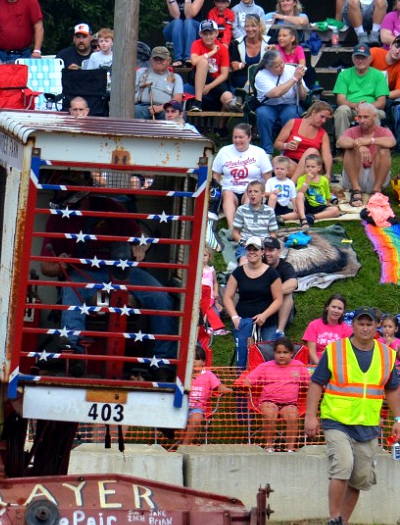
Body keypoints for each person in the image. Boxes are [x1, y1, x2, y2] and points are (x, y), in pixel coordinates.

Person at [39, 187, 178, 379]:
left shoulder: (112, 208)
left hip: (123, 270)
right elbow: (46, 267)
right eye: (61, 193)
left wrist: (140, 246)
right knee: (71, 289)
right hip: (83, 272)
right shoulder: (57, 218)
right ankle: (73, 352)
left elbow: (138, 238)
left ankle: (163, 364)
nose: (64, 197)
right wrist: (61, 264)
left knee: (161, 297)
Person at [304, 306, 400, 525]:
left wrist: (399, 419)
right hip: (337, 421)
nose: (365, 328)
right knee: (343, 465)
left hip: (367, 424)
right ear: (354, 325)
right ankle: (334, 518)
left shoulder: (386, 354)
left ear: (376, 326)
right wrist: (310, 416)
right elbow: (317, 383)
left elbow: (392, 390)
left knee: (359, 477)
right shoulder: (335, 350)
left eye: (370, 324)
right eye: (361, 323)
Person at [238, 336, 310, 452]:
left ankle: (290, 449)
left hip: (290, 403)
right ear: (274, 353)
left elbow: (309, 383)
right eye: (278, 352)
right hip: (268, 401)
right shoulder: (265, 366)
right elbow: (248, 379)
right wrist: (242, 384)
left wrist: (317, 386)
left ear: (291, 353)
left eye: (285, 352)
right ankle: (269, 446)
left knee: (292, 416)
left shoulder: (299, 366)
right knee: (270, 413)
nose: (282, 355)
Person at [223, 236, 282, 369]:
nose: (252, 252)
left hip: (267, 321)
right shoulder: (238, 272)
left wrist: (264, 315)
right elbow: (228, 296)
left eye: (255, 249)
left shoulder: (272, 274)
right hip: (244, 320)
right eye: (249, 249)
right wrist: (234, 317)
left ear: (262, 252)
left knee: (267, 356)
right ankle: (242, 384)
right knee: (244, 355)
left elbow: (278, 299)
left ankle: (266, 387)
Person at [212, 123, 272, 229]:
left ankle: (247, 227)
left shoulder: (259, 152)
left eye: (241, 137)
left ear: (249, 138)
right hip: (230, 188)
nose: (237, 140)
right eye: (235, 137)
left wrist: (265, 192)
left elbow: (267, 176)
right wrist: (216, 190)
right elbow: (215, 174)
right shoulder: (224, 151)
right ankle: (232, 228)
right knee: (227, 195)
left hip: (251, 189)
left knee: (251, 194)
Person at [335, 102, 395, 203]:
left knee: (384, 150)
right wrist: (358, 145)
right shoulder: (352, 130)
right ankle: (356, 190)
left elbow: (392, 142)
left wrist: (371, 141)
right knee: (350, 148)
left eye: (366, 117)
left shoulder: (384, 131)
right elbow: (340, 141)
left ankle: (376, 190)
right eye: (359, 117)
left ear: (374, 116)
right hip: (354, 176)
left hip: (376, 176)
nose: (361, 121)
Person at [253, 49, 307, 154]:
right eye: (277, 66)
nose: (282, 67)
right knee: (263, 114)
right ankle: (267, 150)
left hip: (289, 104)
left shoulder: (292, 70)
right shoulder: (261, 75)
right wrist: (294, 79)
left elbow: (303, 97)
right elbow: (276, 93)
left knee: (291, 114)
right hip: (269, 105)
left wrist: (299, 82)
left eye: (282, 62)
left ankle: (287, 149)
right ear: (268, 68)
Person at [332, 43, 389, 137]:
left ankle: (372, 146)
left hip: (373, 108)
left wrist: (366, 108)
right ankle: (343, 146)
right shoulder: (344, 75)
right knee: (341, 110)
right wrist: (354, 105)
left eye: (363, 57)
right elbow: (340, 99)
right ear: (352, 59)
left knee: (376, 113)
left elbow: (381, 102)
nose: (360, 60)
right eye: (357, 57)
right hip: (351, 108)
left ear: (370, 59)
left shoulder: (378, 75)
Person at [369, 35, 400, 151]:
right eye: (397, 46)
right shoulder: (374, 52)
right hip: (365, 93)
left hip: (387, 97)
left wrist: (382, 95)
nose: (398, 51)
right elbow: (359, 70)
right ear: (391, 45)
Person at [273, 100, 334, 181]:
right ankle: (301, 181)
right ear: (313, 112)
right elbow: (277, 144)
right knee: (277, 159)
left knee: (312, 151)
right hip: (292, 162)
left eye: (326, 119)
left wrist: (328, 173)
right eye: (322, 117)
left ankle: (292, 183)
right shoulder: (293, 123)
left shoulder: (323, 133)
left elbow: (327, 155)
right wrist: (286, 145)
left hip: (310, 166)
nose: (324, 121)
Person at [182, 345, 231, 445]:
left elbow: (219, 386)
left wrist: (228, 389)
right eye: (191, 359)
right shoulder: (182, 373)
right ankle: (182, 441)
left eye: (197, 359)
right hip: (180, 407)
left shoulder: (208, 375)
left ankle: (184, 446)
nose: (194, 362)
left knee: (196, 418)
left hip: (196, 408)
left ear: (203, 362)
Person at [187, 19, 237, 113]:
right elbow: (194, 61)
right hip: (197, 75)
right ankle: (198, 102)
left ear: (216, 33)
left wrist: (209, 86)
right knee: (203, 62)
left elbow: (224, 74)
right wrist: (212, 52)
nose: (208, 37)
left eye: (211, 33)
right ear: (200, 34)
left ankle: (221, 126)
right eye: (205, 34)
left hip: (215, 80)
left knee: (228, 97)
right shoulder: (197, 44)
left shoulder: (222, 48)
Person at [164, 0, 205, 65]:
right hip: (174, 30)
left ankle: (188, 57)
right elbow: (176, 15)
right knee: (178, 22)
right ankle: (178, 58)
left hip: (193, 30)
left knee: (188, 22)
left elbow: (189, 15)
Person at [260, 235, 298, 336]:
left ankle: (279, 332)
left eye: (271, 250)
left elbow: (293, 283)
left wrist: (270, 292)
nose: (267, 253)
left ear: (279, 251)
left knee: (287, 293)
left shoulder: (285, 267)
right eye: (264, 250)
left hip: (280, 312)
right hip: (261, 307)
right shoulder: (258, 264)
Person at [231, 181, 278, 258]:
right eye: (250, 192)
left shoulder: (269, 211)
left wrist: (265, 245)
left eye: (256, 191)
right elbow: (235, 233)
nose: (252, 194)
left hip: (263, 246)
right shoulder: (241, 210)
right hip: (246, 245)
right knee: (244, 262)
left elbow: (273, 234)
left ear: (263, 194)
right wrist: (245, 243)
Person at [134, 46, 183, 119]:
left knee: (174, 114)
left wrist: (161, 108)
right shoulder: (141, 72)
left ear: (169, 60)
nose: (158, 61)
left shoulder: (176, 77)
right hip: (142, 106)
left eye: (161, 59)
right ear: (150, 60)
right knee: (135, 111)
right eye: (156, 59)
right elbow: (129, 92)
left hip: (165, 108)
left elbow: (177, 99)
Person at [303, 294, 353, 364]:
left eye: (340, 308)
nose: (336, 311)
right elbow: (311, 352)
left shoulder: (347, 330)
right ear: (327, 308)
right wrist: (320, 367)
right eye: (333, 307)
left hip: (338, 365)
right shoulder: (314, 325)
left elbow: (347, 354)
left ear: (343, 312)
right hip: (316, 364)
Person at [227, 15, 267, 95]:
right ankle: (244, 97)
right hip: (241, 79)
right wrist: (257, 66)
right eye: (247, 26)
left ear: (259, 27)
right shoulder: (237, 43)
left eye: (253, 26)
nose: (250, 29)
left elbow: (268, 66)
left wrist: (243, 66)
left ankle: (241, 98)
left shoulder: (269, 42)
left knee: (257, 78)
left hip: (264, 77)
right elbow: (234, 66)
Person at [266, 156, 308, 229]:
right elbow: (265, 194)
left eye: (282, 169)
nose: (279, 171)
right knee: (273, 197)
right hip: (273, 205)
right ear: (274, 170)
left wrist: (295, 206)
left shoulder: (290, 183)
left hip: (284, 206)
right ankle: (270, 218)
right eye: (277, 169)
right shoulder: (271, 181)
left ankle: (279, 217)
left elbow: (293, 197)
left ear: (287, 171)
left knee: (298, 214)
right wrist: (272, 193)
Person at [297, 152, 340, 222]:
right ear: (304, 167)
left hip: (320, 205)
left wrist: (326, 205)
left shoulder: (323, 180)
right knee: (299, 196)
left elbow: (327, 196)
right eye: (307, 167)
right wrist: (307, 180)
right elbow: (300, 192)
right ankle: (303, 218)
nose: (310, 169)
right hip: (307, 205)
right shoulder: (301, 179)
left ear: (318, 168)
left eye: (312, 167)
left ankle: (312, 217)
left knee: (335, 210)